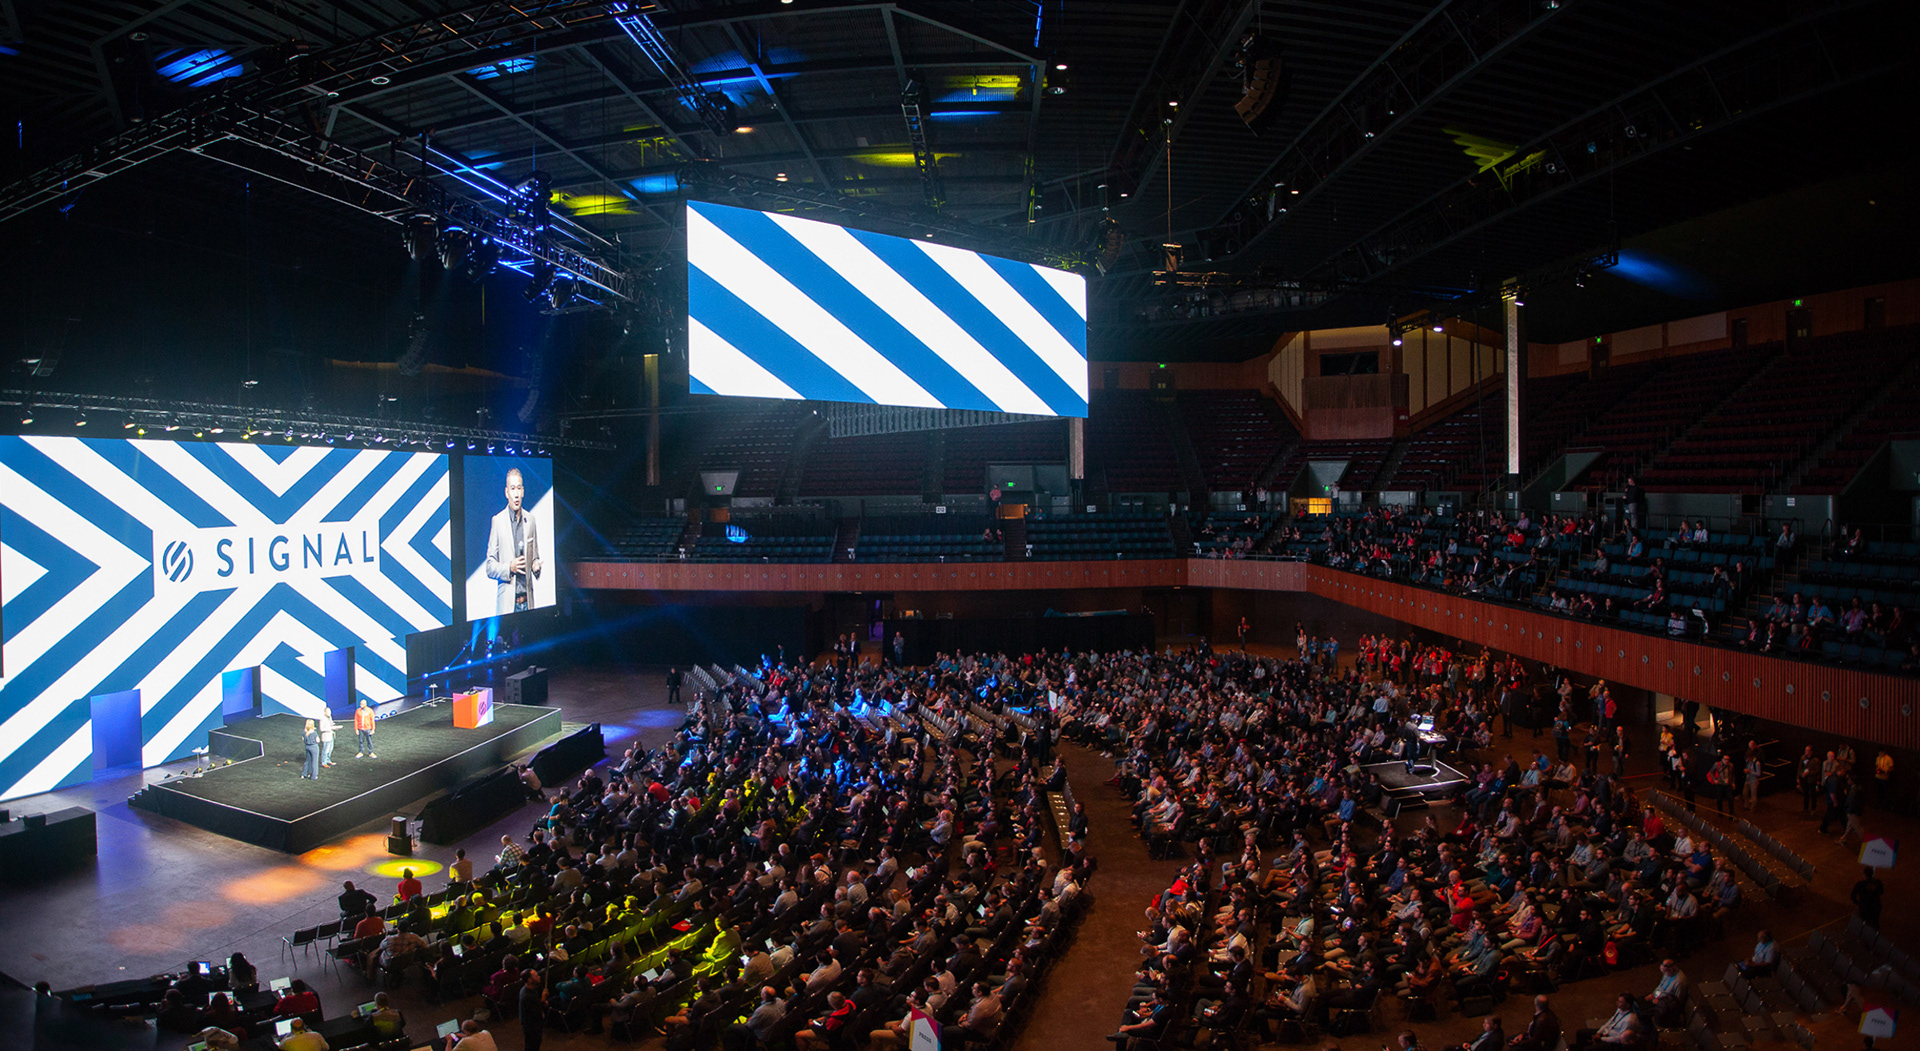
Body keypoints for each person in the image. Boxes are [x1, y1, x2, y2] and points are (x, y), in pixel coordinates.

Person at [484, 467, 543, 614]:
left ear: (523, 491)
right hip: (508, 606)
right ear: (507, 492)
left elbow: (535, 557)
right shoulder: (497, 521)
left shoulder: (530, 520)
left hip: (528, 604)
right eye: (512, 489)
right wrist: (510, 567)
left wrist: (536, 567)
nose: (516, 494)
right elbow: (490, 567)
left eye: (518, 489)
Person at [518, 970, 545, 1051]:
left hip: (532, 1023)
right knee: (532, 1046)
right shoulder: (527, 995)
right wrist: (543, 1000)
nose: (539, 977)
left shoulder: (529, 990)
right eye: (536, 976)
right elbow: (536, 1011)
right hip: (531, 1025)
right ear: (529, 980)